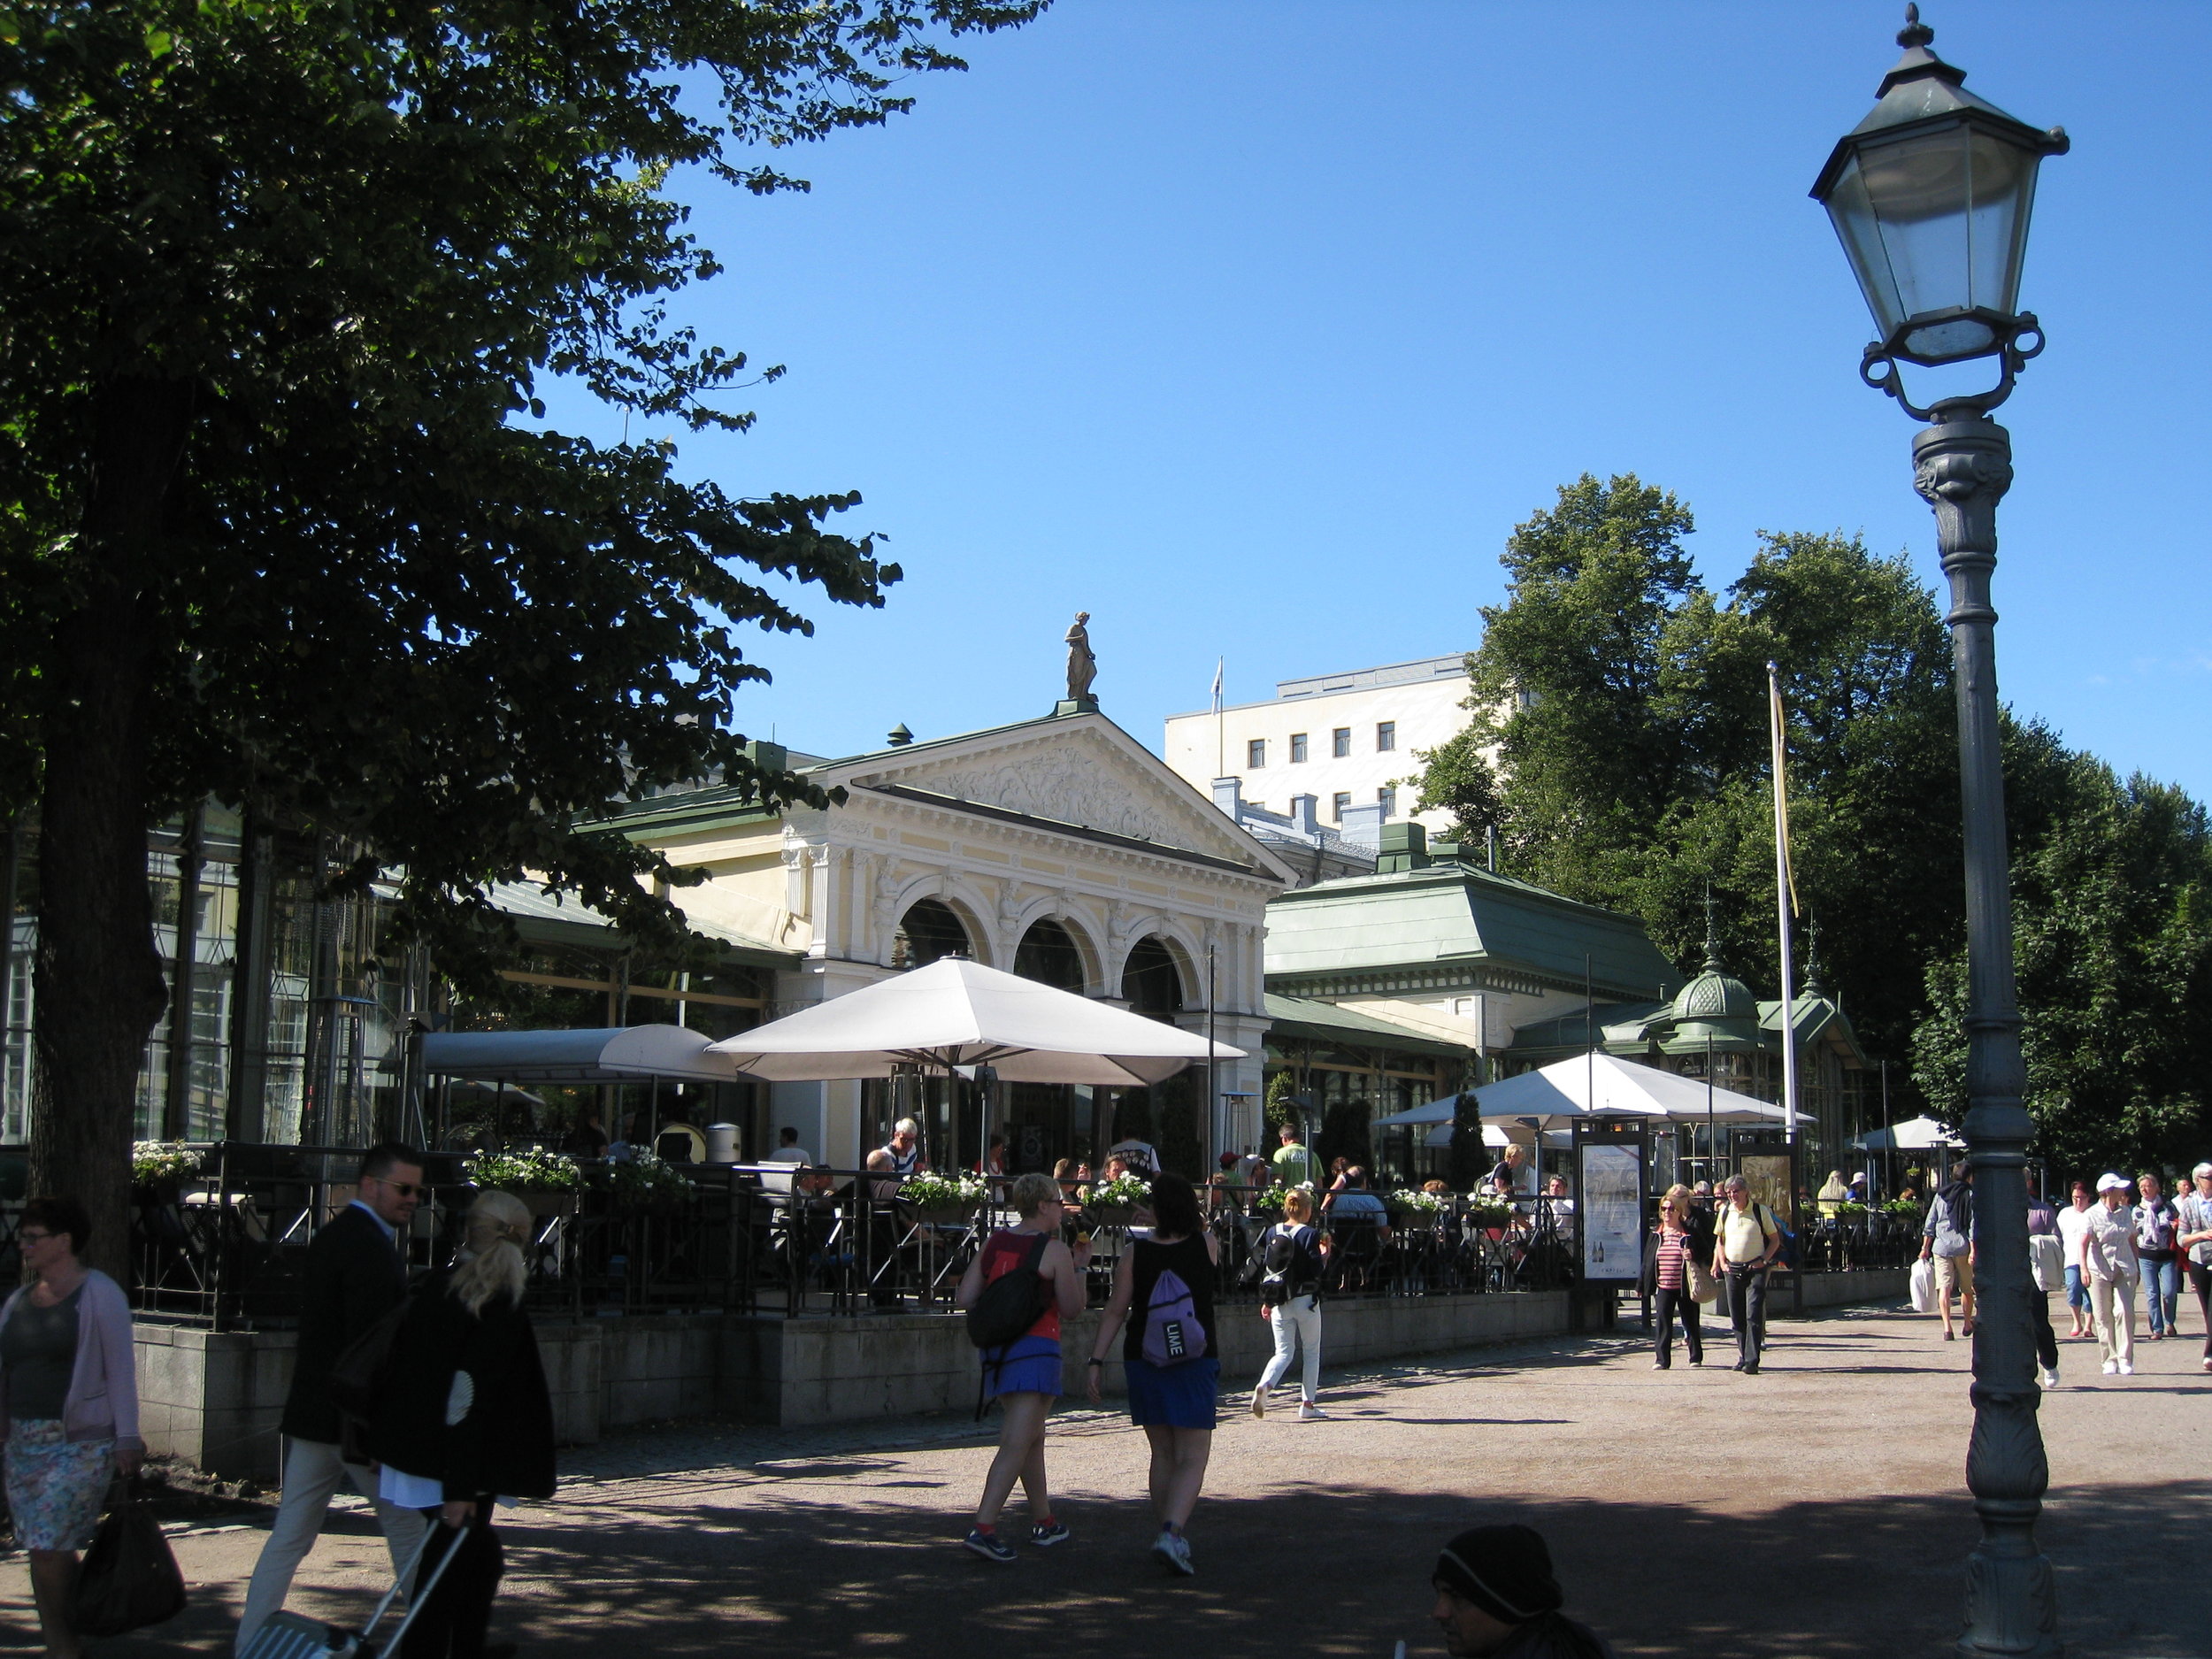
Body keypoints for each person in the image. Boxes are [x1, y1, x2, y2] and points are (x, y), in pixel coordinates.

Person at [238, 1143, 430, 1653]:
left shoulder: (332, 1236)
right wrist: (382, 1426)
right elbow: (374, 1348)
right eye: (404, 1188)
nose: (413, 1199)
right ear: (371, 1184)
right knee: (407, 1530)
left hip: (313, 1414)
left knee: (291, 1536)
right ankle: (435, 1640)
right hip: (354, 1422)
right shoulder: (372, 1251)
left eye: (417, 1190)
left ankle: (248, 1642)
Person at [367, 1189, 557, 1659]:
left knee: (466, 1561)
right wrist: (461, 1485)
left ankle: (464, 1648)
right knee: (452, 1568)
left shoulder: (439, 1286)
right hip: (461, 1459)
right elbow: (467, 1397)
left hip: (425, 1449)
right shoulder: (496, 1301)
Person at [1, 1196, 143, 1659]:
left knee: (48, 1545)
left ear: (63, 1241)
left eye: (33, 1238)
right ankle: (64, 1640)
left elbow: (120, 1370)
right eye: (23, 1237)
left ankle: (66, 1648)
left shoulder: (100, 1293)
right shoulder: (19, 1301)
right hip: (22, 1444)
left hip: (79, 1445)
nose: (24, 1246)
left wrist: (127, 1437)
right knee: (44, 1550)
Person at [1085, 1171, 1219, 1577]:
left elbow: (1115, 1310)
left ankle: (1168, 1533)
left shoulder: (1134, 1253)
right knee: (1192, 1455)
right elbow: (1200, 1232)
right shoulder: (1206, 1244)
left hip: (1144, 1357)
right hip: (1195, 1358)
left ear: (1157, 1209)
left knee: (1161, 1452)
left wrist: (1096, 1360)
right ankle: (1172, 1533)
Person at [955, 1172, 1088, 1563]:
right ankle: (983, 1527)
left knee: (1031, 1436)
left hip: (998, 1350)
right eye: (1058, 1202)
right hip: (1036, 1348)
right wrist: (1080, 1268)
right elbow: (1072, 1309)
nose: (1062, 1208)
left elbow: (965, 1296)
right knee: (1017, 1441)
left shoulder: (995, 1241)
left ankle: (1044, 1520)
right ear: (1043, 1205)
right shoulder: (1054, 1250)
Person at [1429, 1524, 1617, 1658]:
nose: (1439, 1613)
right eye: (1440, 1594)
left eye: (1457, 1597)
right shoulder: (1576, 1643)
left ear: (1506, 1602)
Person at [1248, 1188, 1329, 1420]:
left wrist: (1267, 1302)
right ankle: (1308, 1405)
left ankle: (1265, 1384)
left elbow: (1269, 1267)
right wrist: (1325, 1253)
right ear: (1307, 1210)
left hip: (1279, 1300)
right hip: (1305, 1300)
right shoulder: (1309, 1234)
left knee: (1283, 1352)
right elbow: (1316, 1269)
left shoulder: (1273, 1231)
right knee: (1311, 1352)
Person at [1712, 1176, 1779, 1374]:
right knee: (1737, 1316)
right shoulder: (1725, 1211)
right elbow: (1720, 1240)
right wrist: (1721, 1262)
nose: (1732, 1195)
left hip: (1754, 1269)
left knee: (1753, 1313)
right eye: (1729, 1192)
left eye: (1736, 1191)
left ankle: (1752, 1360)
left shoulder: (1760, 1211)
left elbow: (1774, 1240)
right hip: (1732, 1269)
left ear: (1746, 1192)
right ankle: (1743, 1355)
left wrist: (1764, 1260)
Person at [864, 1118, 926, 1309]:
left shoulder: (912, 1151)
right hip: (887, 1214)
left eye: (912, 1140)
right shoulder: (886, 1156)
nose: (908, 1144)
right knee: (913, 1242)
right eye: (905, 1140)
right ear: (896, 1135)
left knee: (914, 1241)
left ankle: (906, 1292)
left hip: (901, 1209)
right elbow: (888, 1186)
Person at [2083, 1172, 2140, 1377]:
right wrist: (2083, 1269)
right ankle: (2109, 1359)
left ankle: (2125, 1359)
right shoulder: (2091, 1214)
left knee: (2124, 1311)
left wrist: (2137, 1265)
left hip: (2125, 1266)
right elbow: (2083, 1243)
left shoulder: (2126, 1212)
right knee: (2102, 1315)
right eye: (2118, 1188)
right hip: (2099, 1268)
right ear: (2108, 1192)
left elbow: (2132, 1239)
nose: (2123, 1191)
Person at [1641, 1185, 1704, 1371]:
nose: (1667, 1212)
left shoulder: (1688, 1232)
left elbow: (1705, 1250)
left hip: (1684, 1284)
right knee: (1663, 1323)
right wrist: (1642, 1284)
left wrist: (1692, 1254)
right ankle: (1662, 1359)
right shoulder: (1657, 1233)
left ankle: (1695, 1356)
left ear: (1679, 1212)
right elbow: (1647, 1260)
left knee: (1690, 1322)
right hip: (1664, 1285)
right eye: (1664, 1209)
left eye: (1671, 1209)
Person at [1920, 1159, 1977, 1342]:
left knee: (1944, 1287)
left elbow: (1930, 1222)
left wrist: (1925, 1248)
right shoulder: (1971, 1195)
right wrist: (1974, 1250)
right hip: (1963, 1247)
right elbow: (1973, 1225)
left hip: (1941, 1247)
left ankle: (1947, 1328)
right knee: (1966, 1289)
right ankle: (1967, 1323)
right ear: (1969, 1177)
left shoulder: (1941, 1195)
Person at [2131, 1171, 2179, 1341]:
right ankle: (2157, 1328)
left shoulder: (2168, 1207)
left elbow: (2181, 1225)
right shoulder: (2136, 1211)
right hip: (2146, 1255)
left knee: (2169, 1292)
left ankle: (2169, 1322)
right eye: (2141, 1187)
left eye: (2148, 1186)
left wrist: (2176, 1227)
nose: (2144, 1189)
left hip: (2167, 1255)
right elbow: (2132, 1234)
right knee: (2152, 1293)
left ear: (2156, 1188)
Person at [2176, 1161, 2212, 1372]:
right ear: (2198, 1180)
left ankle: (2209, 1353)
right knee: (2207, 1309)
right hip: (2199, 1259)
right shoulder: (2190, 1204)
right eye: (2209, 1177)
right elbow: (2182, 1238)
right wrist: (2202, 1235)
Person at [2055, 1179, 2097, 1340]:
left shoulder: (2093, 1213)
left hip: (2092, 1260)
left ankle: (2088, 1325)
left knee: (2090, 1292)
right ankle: (2076, 1321)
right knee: (2073, 1288)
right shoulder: (2065, 1214)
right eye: (2075, 1198)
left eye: (2081, 1198)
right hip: (2071, 1259)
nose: (2078, 1201)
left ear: (2088, 1197)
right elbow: (2058, 1236)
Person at [1271, 1122, 1317, 1190]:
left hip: (1289, 1195)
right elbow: (1319, 1182)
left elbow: (1277, 1180)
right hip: (1309, 1195)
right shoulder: (1312, 1155)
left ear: (1284, 1138)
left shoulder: (1280, 1154)